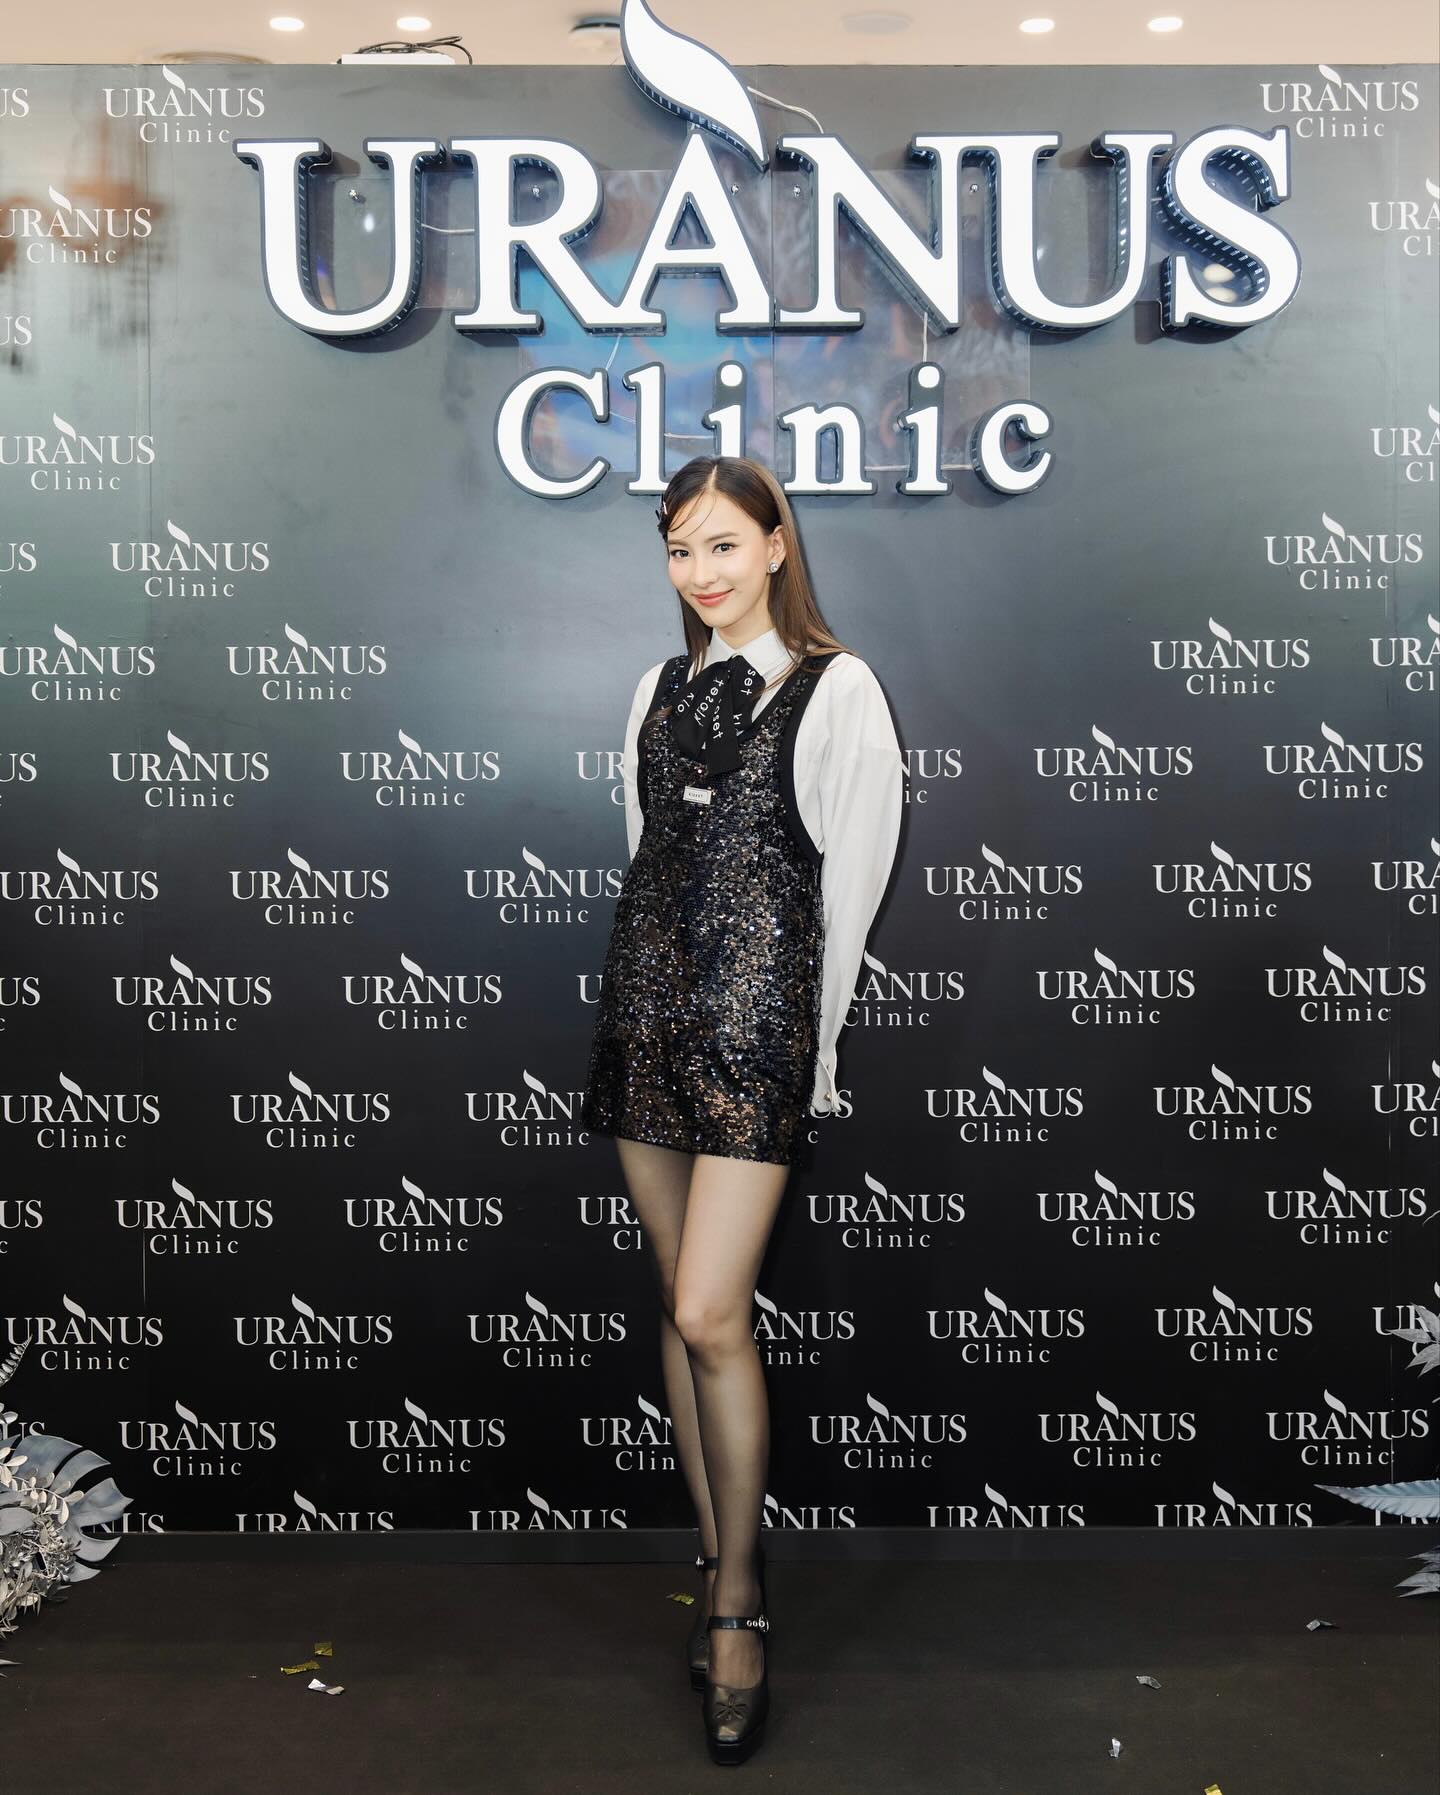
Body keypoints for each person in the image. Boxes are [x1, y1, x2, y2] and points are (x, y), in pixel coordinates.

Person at [579, 453, 904, 1765]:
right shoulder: (654, 691)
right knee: (679, 1302)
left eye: (723, 544)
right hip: (646, 1023)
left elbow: (850, 893)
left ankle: (738, 1602)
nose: (700, 572)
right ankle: (717, 1559)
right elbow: (645, 855)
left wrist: (810, 1054)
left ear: (777, 545)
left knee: (714, 1309)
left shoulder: (839, 688)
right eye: (680, 549)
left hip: (757, 1038)